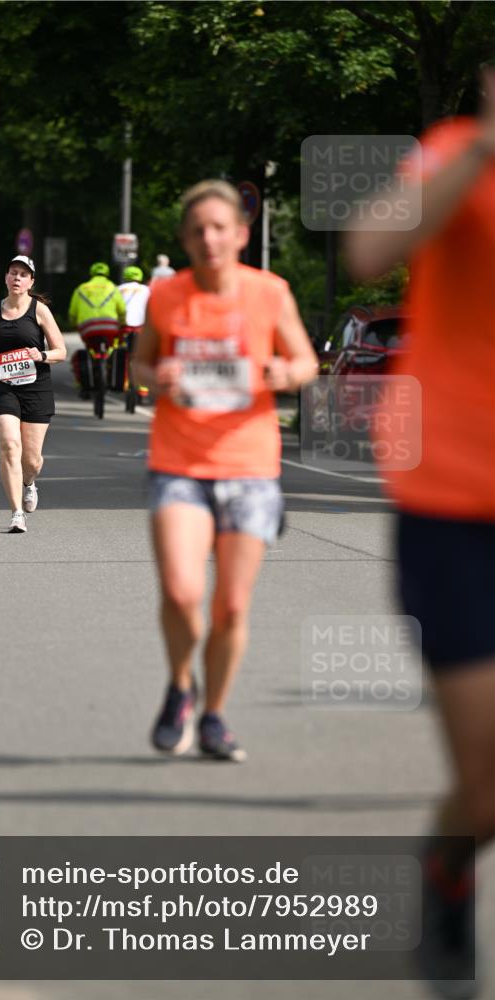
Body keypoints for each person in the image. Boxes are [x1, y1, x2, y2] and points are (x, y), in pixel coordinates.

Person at [345, 62, 495, 999]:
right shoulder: (455, 157)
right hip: (456, 507)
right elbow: (366, 253)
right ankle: (447, 870)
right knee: (486, 785)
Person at [133, 180, 317, 761]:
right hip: (179, 463)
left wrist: (285, 375)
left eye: (220, 228)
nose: (209, 238)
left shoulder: (270, 293)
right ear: (185, 240)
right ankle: (180, 685)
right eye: (197, 230)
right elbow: (140, 362)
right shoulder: (168, 296)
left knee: (231, 606)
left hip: (251, 468)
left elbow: (306, 360)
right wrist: (150, 377)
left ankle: (213, 715)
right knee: (183, 592)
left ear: (241, 233)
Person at [0, 255, 67, 533]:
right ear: (6, 278)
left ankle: (29, 482)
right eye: (13, 272)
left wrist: (40, 354)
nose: (17, 278)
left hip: (36, 387)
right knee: (10, 446)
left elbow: (61, 351)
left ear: (31, 282)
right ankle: (16, 513)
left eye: (23, 274)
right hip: (1, 386)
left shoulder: (39, 311)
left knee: (31, 459)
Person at [68, 262, 126, 398]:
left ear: (91, 274)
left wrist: (73, 324)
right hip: (110, 327)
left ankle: (86, 384)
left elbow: (72, 313)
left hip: (88, 328)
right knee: (112, 348)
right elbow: (122, 310)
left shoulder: (81, 288)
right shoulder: (113, 288)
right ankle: (109, 366)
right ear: (107, 274)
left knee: (90, 349)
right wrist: (122, 324)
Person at [118, 265, 151, 401]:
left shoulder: (119, 289)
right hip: (141, 328)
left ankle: (122, 382)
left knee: (121, 352)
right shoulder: (147, 289)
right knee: (143, 355)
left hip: (124, 327)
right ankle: (143, 389)